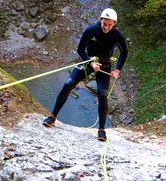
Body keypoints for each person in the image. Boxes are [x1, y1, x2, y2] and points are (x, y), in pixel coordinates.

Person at [42, 8, 128, 142]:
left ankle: (101, 130)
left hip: (104, 65)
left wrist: (117, 70)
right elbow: (80, 49)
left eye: (109, 25)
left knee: (102, 94)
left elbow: (124, 52)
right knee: (68, 84)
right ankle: (52, 117)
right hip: (88, 61)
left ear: (114, 23)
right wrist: (91, 62)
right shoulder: (91, 30)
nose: (106, 27)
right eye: (104, 23)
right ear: (101, 20)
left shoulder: (117, 35)